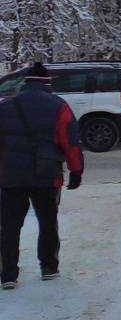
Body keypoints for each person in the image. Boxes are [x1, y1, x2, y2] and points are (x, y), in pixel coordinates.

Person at [0, 61, 84, 290]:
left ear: (25, 83)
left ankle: (8, 274)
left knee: (9, 225)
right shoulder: (59, 106)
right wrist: (76, 170)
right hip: (47, 174)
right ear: (47, 83)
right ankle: (49, 267)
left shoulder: (6, 106)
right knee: (48, 221)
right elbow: (70, 142)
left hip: (11, 175)